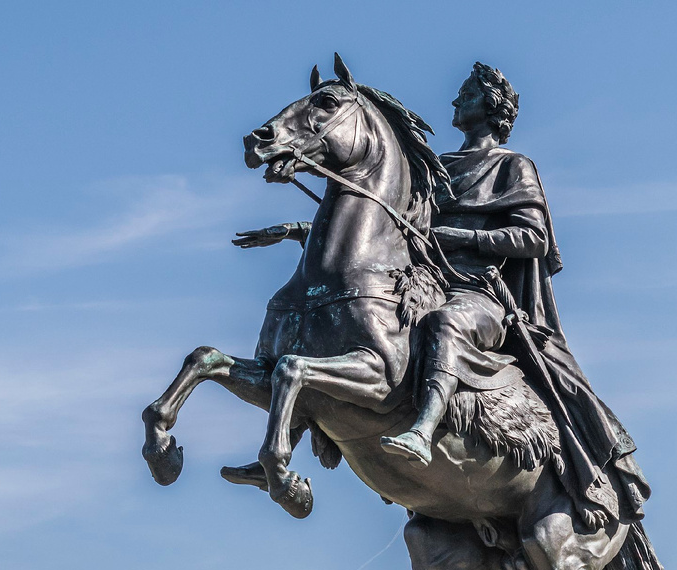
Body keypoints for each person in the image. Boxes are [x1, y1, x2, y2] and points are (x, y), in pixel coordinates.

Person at [235, 63, 649, 525]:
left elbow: (533, 238)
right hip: (424, 280)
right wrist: (297, 231)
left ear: (491, 107)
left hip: (480, 294)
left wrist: (463, 238)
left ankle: (424, 425)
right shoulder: (438, 168)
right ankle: (292, 431)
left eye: (466, 94)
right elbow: (386, 230)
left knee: (444, 321)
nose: (454, 102)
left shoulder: (512, 166)